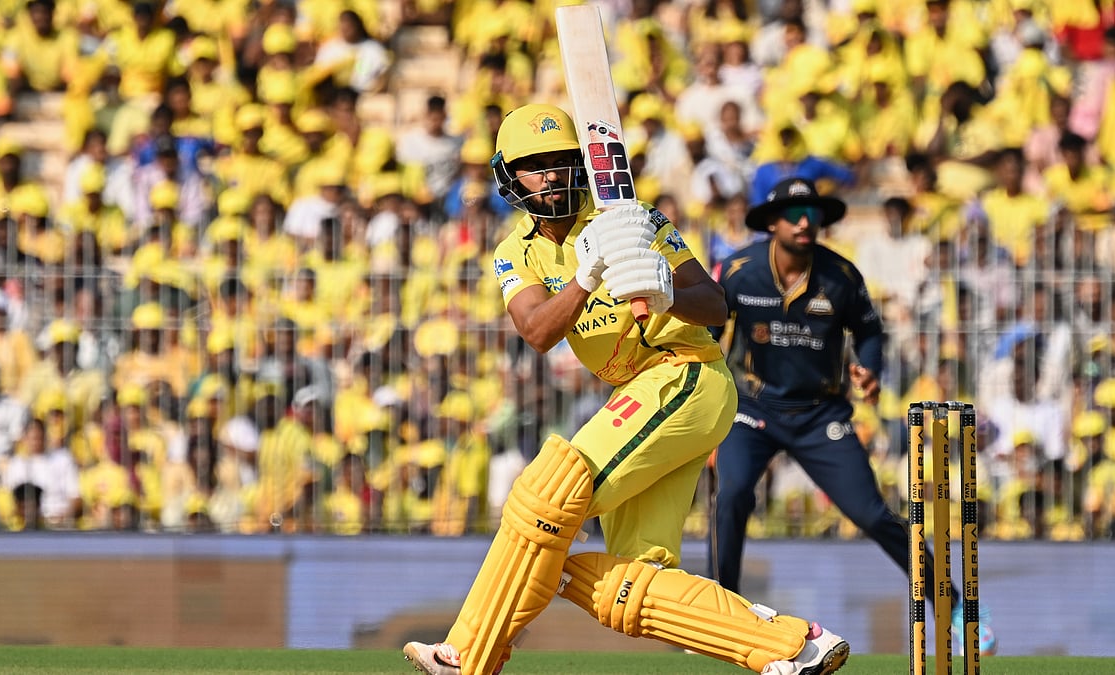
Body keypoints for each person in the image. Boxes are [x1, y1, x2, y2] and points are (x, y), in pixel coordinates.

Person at [402, 104, 849, 675]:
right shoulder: (514, 252)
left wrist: (663, 291)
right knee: (626, 579)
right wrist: (588, 278)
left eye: (562, 163)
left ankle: (467, 653)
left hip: (685, 373)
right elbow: (538, 331)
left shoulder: (630, 218)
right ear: (510, 177)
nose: (551, 176)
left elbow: (714, 304)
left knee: (545, 497)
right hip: (638, 395)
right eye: (535, 167)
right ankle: (790, 646)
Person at [710, 178, 995, 656]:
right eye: (795, 213)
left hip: (821, 413)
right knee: (732, 494)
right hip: (753, 408)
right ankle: (721, 616)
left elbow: (869, 332)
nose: (806, 222)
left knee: (871, 513)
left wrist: (870, 369)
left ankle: (954, 607)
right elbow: (709, 329)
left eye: (813, 212)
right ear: (772, 223)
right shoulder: (739, 271)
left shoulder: (841, 275)